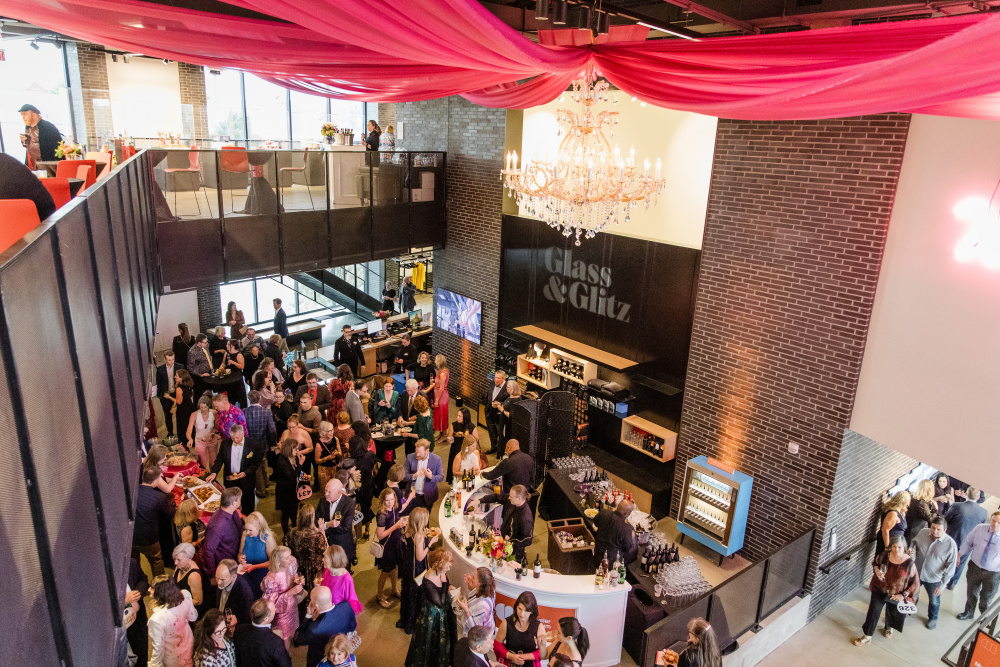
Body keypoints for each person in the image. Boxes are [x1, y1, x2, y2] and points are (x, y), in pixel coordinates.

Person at [853, 535, 919, 646]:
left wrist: (903, 595)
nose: (896, 550)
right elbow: (875, 563)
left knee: (892, 612)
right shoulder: (884, 555)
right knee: (873, 612)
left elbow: (914, 583)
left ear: (904, 548)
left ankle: (889, 627)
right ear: (891, 546)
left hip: (896, 593)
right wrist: (877, 571)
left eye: (899, 547)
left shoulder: (909, 564)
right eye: (894, 547)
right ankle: (867, 636)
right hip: (880, 588)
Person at [405, 548, 457, 667]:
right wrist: (445, 584)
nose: (449, 569)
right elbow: (440, 603)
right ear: (439, 565)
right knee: (429, 641)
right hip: (432, 616)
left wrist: (448, 586)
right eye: (447, 567)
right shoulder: (428, 581)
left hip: (442, 613)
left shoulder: (440, 572)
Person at [295, 585, 358, 667]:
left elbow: (298, 639)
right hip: (341, 652)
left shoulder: (315, 628)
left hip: (320, 658)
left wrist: (308, 616)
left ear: (316, 606)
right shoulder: (346, 606)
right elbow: (352, 627)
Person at [468, 484, 534, 562]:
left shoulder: (525, 518)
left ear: (519, 498)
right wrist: (477, 501)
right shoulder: (512, 501)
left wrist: (508, 544)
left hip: (514, 553)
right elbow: (495, 497)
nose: (509, 498)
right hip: (503, 543)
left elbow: (528, 540)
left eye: (511, 497)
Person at [913, 516, 957, 629]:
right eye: (933, 528)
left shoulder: (950, 544)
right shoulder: (923, 532)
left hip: (934, 579)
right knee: (911, 594)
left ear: (945, 530)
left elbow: (950, 568)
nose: (935, 531)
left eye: (938, 529)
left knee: (934, 601)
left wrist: (942, 585)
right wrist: (911, 549)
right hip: (917, 573)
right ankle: (909, 609)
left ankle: (933, 618)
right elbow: (913, 543)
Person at [207, 424, 260, 516]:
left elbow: (256, 463)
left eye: (237, 438)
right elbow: (219, 460)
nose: (235, 440)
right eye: (233, 438)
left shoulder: (253, 445)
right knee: (231, 505)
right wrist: (214, 473)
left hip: (247, 481)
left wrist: (245, 473)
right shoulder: (225, 444)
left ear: (242, 434)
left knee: (248, 505)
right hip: (230, 480)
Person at [399, 507, 437, 633]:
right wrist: (430, 544)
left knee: (407, 592)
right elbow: (420, 557)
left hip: (407, 564)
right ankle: (412, 623)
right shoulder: (419, 536)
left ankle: (404, 619)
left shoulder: (408, 529)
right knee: (415, 595)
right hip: (417, 568)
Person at [957, 510, 1000, 620]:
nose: (995, 524)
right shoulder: (980, 529)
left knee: (986, 597)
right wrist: (959, 555)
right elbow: (968, 542)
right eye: (993, 521)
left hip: (993, 574)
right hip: (975, 567)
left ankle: (984, 618)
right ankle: (968, 612)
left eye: (999, 523)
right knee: (971, 591)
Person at [261, 546, 306, 651]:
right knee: (283, 639)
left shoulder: (290, 565)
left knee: (290, 634)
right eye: (287, 557)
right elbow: (270, 603)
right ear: (278, 561)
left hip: (292, 608)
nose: (291, 559)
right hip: (281, 614)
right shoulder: (272, 578)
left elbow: (294, 577)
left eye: (290, 555)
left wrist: (297, 581)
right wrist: (290, 592)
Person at [147, 576, 198, 667]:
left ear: (161, 592)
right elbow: (193, 617)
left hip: (173, 658)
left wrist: (153, 664)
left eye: (152, 588)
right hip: (189, 647)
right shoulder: (185, 595)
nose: (148, 589)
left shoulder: (156, 619)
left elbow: (158, 647)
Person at [133, 465, 171, 577]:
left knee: (134, 562)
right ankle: (159, 583)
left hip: (132, 536)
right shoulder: (159, 497)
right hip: (149, 538)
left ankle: (138, 579)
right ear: (155, 481)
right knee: (156, 560)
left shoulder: (133, 491)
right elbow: (168, 514)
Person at [946, 486, 987, 589]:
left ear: (966, 494)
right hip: (968, 543)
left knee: (946, 559)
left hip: (952, 538)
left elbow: (946, 519)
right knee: (961, 563)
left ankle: (943, 579)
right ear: (978, 497)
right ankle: (952, 584)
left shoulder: (956, 506)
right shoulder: (983, 512)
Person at [232, 599, 292, 667]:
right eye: (273, 610)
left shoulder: (239, 629)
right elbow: (286, 664)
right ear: (266, 618)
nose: (275, 609)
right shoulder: (276, 642)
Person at [373, 487, 407, 608]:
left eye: (392, 499)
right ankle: (380, 596)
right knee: (385, 572)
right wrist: (396, 526)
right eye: (387, 500)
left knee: (395, 568)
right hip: (387, 548)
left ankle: (394, 589)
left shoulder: (393, 508)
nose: (390, 502)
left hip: (395, 544)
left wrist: (403, 521)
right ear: (383, 500)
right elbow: (380, 535)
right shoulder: (382, 515)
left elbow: (395, 521)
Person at [494, 592, 545, 667]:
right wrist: (511, 656)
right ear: (516, 607)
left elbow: (542, 653)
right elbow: (497, 645)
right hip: (510, 664)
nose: (522, 614)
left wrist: (520, 657)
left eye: (526, 611)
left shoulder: (539, 627)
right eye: (520, 609)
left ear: (532, 611)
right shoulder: (506, 623)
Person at [316, 478, 358, 568]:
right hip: (326, 546)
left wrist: (324, 527)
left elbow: (345, 528)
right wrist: (328, 524)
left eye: (329, 492)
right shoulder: (322, 501)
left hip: (342, 546)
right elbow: (316, 522)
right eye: (325, 490)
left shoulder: (349, 503)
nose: (326, 494)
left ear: (339, 492)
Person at [204, 488, 245, 577]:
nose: (240, 501)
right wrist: (213, 575)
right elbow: (208, 551)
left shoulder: (233, 512)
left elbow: (239, 530)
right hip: (226, 566)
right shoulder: (218, 526)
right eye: (240, 499)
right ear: (234, 503)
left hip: (236, 558)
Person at [289, 504, 328, 595]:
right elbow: (325, 550)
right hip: (315, 569)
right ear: (312, 518)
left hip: (299, 567)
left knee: (301, 592)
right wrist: (322, 531)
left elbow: (291, 549)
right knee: (315, 592)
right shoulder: (317, 535)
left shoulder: (293, 532)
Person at [245, 389, 277, 497]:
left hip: (250, 444)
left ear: (249, 399)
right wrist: (273, 443)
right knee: (263, 461)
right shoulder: (267, 412)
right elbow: (272, 430)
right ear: (260, 398)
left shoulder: (244, 411)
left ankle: (261, 491)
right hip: (263, 443)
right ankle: (266, 482)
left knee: (256, 467)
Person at [273, 438, 307, 539]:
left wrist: (302, 475)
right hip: (284, 492)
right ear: (289, 448)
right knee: (285, 514)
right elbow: (292, 476)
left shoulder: (294, 458)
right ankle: (286, 535)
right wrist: (300, 464)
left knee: (294, 513)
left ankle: (295, 532)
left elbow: (296, 472)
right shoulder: (282, 461)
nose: (297, 451)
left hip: (293, 490)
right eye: (295, 449)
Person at [239, 511, 276, 598]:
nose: (247, 532)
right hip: (247, 575)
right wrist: (240, 558)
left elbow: (273, 562)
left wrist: (254, 567)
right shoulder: (245, 535)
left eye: (250, 530)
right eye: (246, 529)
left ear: (259, 527)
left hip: (262, 577)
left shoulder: (268, 539)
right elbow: (240, 553)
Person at [593, 498, 638, 568]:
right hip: (611, 563)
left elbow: (595, 522)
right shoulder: (627, 529)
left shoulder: (604, 513)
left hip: (597, 553)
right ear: (627, 513)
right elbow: (628, 547)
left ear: (617, 506)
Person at [319, 545, 364, 616]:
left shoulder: (346, 579)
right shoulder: (327, 570)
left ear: (333, 560)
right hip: (325, 613)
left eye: (325, 557)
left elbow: (351, 605)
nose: (322, 559)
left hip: (338, 615)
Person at [403, 439, 444, 510]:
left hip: (428, 496)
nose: (417, 454)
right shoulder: (410, 457)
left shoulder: (436, 459)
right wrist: (414, 475)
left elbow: (441, 477)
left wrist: (431, 477)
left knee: (426, 516)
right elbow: (404, 476)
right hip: (413, 495)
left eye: (420, 452)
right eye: (416, 452)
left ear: (427, 450)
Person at [17, 104, 62, 168]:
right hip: (33, 165)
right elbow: (30, 146)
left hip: (47, 165)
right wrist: (24, 141)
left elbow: (56, 148)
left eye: (25, 114)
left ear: (34, 114)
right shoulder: (28, 128)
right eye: (21, 114)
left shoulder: (47, 127)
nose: (23, 117)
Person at [457, 567, 496, 637]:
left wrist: (466, 610)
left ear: (480, 583)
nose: (471, 577)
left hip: (477, 637)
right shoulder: (489, 589)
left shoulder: (482, 605)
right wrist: (471, 583)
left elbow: (475, 628)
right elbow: (475, 593)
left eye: (474, 577)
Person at [214, 559, 254, 627]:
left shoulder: (244, 592)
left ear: (234, 576)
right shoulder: (223, 581)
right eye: (217, 578)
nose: (218, 582)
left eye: (222, 579)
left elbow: (245, 621)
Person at [171, 542, 206, 618]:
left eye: (179, 560)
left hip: (191, 612)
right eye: (174, 559)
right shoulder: (180, 566)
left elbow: (198, 601)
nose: (175, 562)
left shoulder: (193, 576)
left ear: (189, 558)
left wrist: (178, 606)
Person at [128, 557, 151, 667]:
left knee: (141, 650)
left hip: (138, 620)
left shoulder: (131, 563)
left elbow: (143, 580)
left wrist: (137, 593)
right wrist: (123, 600)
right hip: (122, 627)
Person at [187, 395, 221, 469]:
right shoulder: (194, 415)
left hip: (212, 440)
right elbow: (188, 431)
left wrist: (214, 434)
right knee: (202, 463)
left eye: (205, 407)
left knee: (213, 462)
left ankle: (212, 475)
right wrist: (190, 439)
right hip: (200, 441)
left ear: (208, 406)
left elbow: (217, 427)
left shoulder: (214, 413)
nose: (203, 409)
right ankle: (204, 475)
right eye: (201, 407)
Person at [156, 351, 183, 436]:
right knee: (168, 416)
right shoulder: (160, 369)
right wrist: (161, 396)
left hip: (177, 394)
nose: (171, 362)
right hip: (166, 396)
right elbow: (159, 384)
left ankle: (180, 433)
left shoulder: (180, 367)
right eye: (169, 360)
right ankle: (170, 433)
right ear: (165, 360)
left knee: (179, 414)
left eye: (173, 359)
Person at [483, 371, 509, 454]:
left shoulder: (508, 388)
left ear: (504, 379)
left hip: (499, 416)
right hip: (489, 413)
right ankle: (493, 447)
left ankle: (501, 452)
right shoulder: (492, 383)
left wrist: (499, 404)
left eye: (499, 378)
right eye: (495, 377)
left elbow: (509, 403)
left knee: (500, 434)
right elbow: (488, 395)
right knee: (491, 432)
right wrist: (486, 406)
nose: (496, 380)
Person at [446, 407, 474, 484]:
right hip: (456, 448)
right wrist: (450, 439)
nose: (457, 417)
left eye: (460, 416)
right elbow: (449, 437)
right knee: (454, 466)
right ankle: (454, 483)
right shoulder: (454, 425)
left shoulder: (471, 426)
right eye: (457, 415)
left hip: (467, 449)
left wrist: (468, 437)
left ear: (465, 417)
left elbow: (476, 439)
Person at [876, 491, 909, 555]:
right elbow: (885, 530)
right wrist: (887, 547)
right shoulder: (893, 514)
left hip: (896, 543)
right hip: (890, 544)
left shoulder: (901, 512)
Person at [315, 422, 342, 492]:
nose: (331, 433)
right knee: (326, 490)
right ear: (323, 433)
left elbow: (340, 452)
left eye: (332, 430)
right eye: (328, 431)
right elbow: (317, 461)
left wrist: (338, 453)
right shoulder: (319, 444)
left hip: (335, 468)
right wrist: (326, 458)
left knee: (336, 488)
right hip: (324, 470)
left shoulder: (335, 439)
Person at [499, 380, 523, 445]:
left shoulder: (516, 401)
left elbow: (512, 415)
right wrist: (500, 404)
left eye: (508, 387)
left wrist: (502, 410)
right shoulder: (510, 396)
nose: (506, 388)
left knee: (506, 442)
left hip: (509, 427)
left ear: (512, 388)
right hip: (504, 424)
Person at [432, 354, 449, 431]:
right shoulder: (442, 371)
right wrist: (434, 381)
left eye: (436, 360)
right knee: (439, 414)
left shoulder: (442, 374)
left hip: (441, 397)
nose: (435, 361)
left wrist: (437, 400)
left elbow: (441, 388)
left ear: (439, 362)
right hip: (439, 395)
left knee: (441, 415)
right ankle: (441, 433)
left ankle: (443, 434)